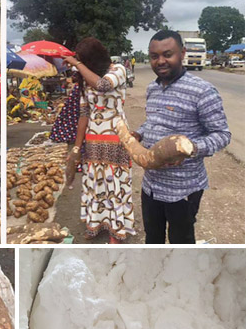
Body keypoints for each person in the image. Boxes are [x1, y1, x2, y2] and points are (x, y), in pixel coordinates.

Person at [132, 30, 230, 244]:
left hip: (182, 189)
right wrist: (139, 132)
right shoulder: (152, 88)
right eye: (154, 56)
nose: (161, 61)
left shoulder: (202, 91)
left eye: (168, 54)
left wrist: (191, 148)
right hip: (151, 185)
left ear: (182, 53)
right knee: (153, 239)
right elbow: (153, 121)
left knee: (181, 243)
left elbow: (222, 135)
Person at [63, 38, 134, 244]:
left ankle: (116, 230)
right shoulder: (86, 79)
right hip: (94, 138)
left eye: (83, 60)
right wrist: (77, 147)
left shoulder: (118, 69)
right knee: (95, 183)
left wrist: (78, 65)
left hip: (116, 136)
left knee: (115, 184)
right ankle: (94, 225)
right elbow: (84, 114)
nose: (80, 63)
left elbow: (103, 85)